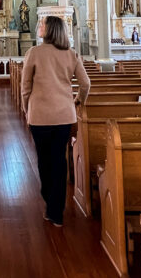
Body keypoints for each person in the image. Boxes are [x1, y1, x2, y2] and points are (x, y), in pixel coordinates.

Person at [21, 15, 90, 227]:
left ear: (50, 30)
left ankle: (50, 202)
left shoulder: (34, 53)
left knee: (44, 161)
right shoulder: (71, 54)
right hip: (64, 116)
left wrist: (27, 110)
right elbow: (86, 84)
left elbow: (25, 88)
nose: (38, 26)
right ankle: (56, 212)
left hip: (39, 116)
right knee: (59, 161)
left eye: (41, 24)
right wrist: (78, 101)